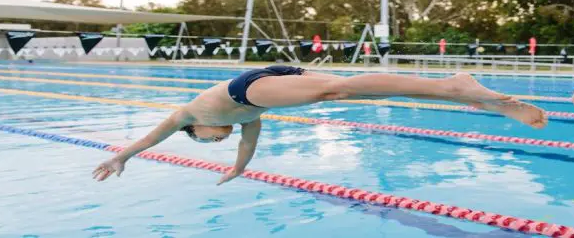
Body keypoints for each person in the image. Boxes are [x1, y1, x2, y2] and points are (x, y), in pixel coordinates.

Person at [92, 68, 548, 184]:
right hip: (265, 87)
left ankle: (451, 86)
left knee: (336, 91)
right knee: (353, 91)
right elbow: (248, 145)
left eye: (209, 143)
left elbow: (150, 138)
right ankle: (458, 88)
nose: (219, 140)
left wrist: (119, 157)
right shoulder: (245, 123)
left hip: (245, 87)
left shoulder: (189, 117)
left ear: (196, 132)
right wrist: (238, 170)